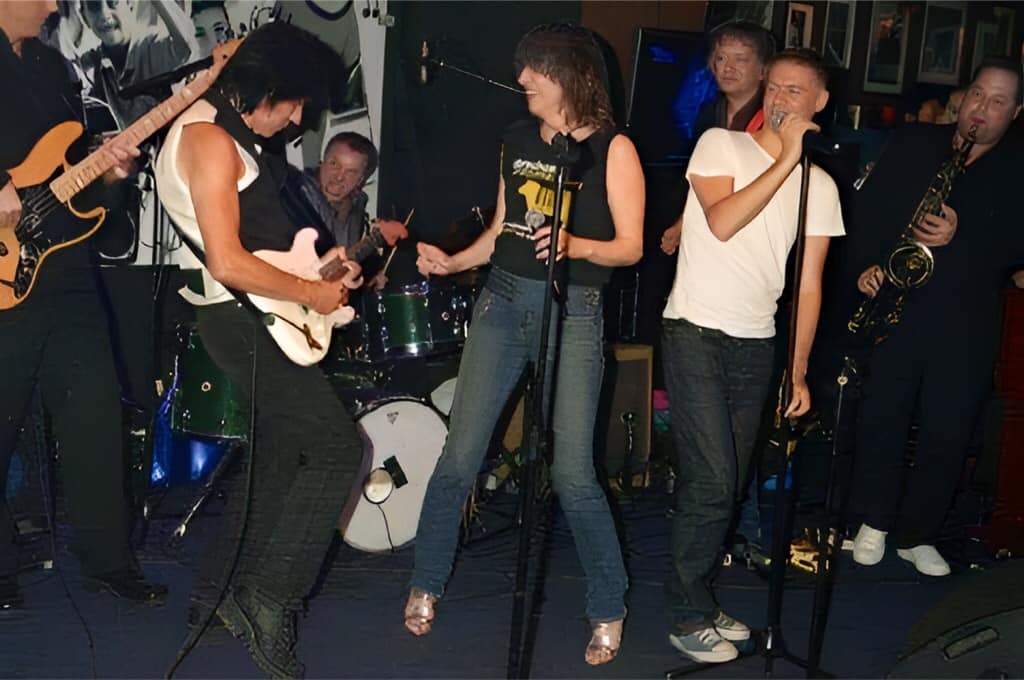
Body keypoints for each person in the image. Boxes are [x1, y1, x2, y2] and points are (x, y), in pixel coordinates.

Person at [407, 23, 644, 666]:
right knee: (460, 456)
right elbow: (502, 228)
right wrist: (452, 263)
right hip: (502, 299)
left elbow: (631, 246)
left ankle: (607, 605)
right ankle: (426, 579)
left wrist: (575, 246)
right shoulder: (515, 139)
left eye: (532, 71)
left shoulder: (612, 149)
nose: (521, 82)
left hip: (575, 309)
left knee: (571, 471)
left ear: (566, 75)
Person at [153, 22, 364, 677]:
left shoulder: (225, 125)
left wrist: (320, 268)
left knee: (275, 455)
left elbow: (254, 244)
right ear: (263, 91)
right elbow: (227, 261)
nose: (301, 119)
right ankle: (269, 600)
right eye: (294, 103)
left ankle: (215, 597)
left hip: (255, 316)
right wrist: (312, 290)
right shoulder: (209, 141)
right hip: (241, 320)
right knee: (337, 450)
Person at [661, 48, 844, 663]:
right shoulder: (721, 145)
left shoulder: (818, 185)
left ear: (820, 103)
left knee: (731, 480)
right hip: (695, 330)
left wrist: (797, 367)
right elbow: (720, 222)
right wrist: (786, 158)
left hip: (758, 341)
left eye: (798, 91)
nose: (782, 99)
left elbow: (809, 283)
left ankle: (704, 599)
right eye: (776, 87)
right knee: (713, 480)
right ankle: (687, 612)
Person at [0, 0, 165, 611]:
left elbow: (68, 172)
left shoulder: (49, 66)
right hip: (3, 276)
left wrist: (110, 174)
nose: (51, 6)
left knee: (97, 417)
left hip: (66, 268)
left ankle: (109, 562)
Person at [846, 58, 1024, 577]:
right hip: (898, 306)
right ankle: (873, 521)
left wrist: (960, 237)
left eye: (997, 102)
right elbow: (869, 212)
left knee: (948, 429)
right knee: (882, 416)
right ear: (962, 97)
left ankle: (918, 534)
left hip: (965, 319)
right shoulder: (915, 143)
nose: (980, 110)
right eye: (976, 96)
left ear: (1015, 113)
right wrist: (868, 266)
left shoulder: (1018, 167)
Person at [660, 21, 774, 257]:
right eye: (721, 58)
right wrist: (683, 223)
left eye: (740, 59)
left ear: (764, 70)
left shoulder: (770, 121)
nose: (728, 68)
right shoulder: (709, 114)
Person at [285, 131, 408, 286]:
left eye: (351, 172)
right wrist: (375, 239)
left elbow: (343, 270)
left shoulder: (357, 207)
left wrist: (369, 280)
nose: (339, 176)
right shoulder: (298, 195)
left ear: (360, 180)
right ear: (321, 162)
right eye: (334, 164)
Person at [78, 0, 197, 124]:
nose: (104, 14)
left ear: (130, 3)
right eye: (93, 5)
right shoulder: (91, 66)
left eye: (113, 2)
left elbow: (187, 45)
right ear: (84, 17)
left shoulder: (152, 46)